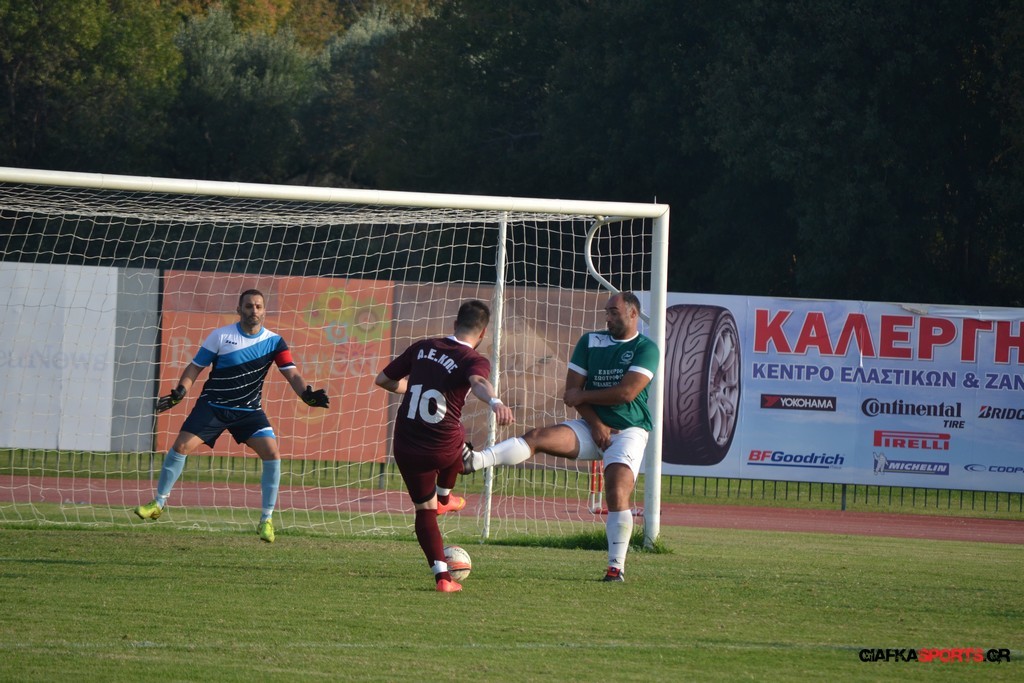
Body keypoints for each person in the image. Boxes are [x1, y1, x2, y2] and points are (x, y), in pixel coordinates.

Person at [462, 291, 658, 582]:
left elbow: (627, 393)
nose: (607, 317)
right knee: (537, 436)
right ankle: (474, 461)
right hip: (591, 426)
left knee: (617, 491)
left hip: (628, 431)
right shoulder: (590, 341)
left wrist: (585, 396)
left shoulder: (646, 348)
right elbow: (571, 393)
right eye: (606, 312)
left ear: (633, 314)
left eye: (614, 312)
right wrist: (595, 424)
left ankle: (615, 568)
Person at [134, 289, 330, 543]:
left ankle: (266, 520)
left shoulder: (275, 342)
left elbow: (292, 373)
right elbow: (196, 367)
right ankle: (158, 504)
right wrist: (180, 391)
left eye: (258, 306)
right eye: (248, 306)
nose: (253, 310)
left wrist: (306, 394)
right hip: (213, 406)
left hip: (248, 411)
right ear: (239, 310)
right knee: (181, 446)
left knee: (272, 453)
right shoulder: (221, 336)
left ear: (264, 311)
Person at [374, 299, 514, 592]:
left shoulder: (422, 347)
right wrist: (495, 401)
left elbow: (384, 379)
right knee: (459, 439)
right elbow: (478, 382)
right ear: (483, 333)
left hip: (406, 444)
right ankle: (445, 496)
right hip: (441, 446)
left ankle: (443, 579)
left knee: (424, 513)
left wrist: (411, 388)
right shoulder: (473, 359)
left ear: (454, 324)